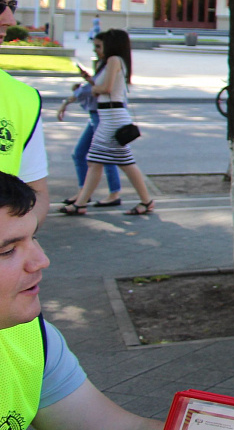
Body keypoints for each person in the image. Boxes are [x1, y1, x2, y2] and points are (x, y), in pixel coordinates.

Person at [1, 172, 163, 430]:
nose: (41, 261)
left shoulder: (30, 337)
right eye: (7, 250)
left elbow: (107, 425)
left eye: (34, 238)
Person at [61, 29, 155, 216]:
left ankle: (81, 204)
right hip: (111, 117)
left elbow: (107, 88)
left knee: (102, 161)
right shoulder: (118, 61)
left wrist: (94, 88)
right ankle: (146, 201)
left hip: (113, 118)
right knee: (113, 162)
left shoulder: (113, 60)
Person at [0, 0, 50, 225]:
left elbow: (37, 194)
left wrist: (13, 240)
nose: (8, 19)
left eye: (11, 6)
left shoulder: (23, 99)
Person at [57, 79, 123, 206]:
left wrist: (66, 102)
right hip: (95, 115)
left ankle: (114, 194)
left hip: (104, 116)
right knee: (79, 154)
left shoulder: (110, 64)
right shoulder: (102, 69)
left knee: (106, 156)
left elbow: (92, 89)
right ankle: (84, 192)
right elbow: (88, 89)